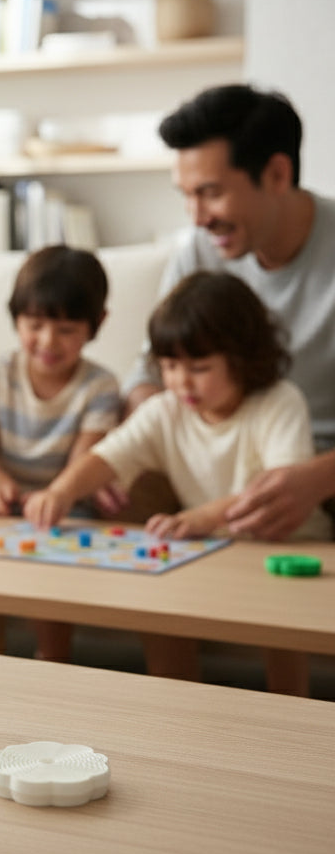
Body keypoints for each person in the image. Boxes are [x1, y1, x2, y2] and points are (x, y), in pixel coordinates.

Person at [26, 271, 330, 692]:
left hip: (287, 546)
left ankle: (294, 706)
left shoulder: (278, 401)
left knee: (277, 624)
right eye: (169, 367)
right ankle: (174, 698)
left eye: (199, 367)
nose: (181, 382)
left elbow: (278, 489)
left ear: (242, 357)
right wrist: (61, 490)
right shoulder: (167, 408)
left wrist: (204, 517)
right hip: (210, 547)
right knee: (160, 598)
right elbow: (109, 455)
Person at [124, 83, 335, 539]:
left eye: (211, 193)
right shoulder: (198, 251)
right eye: (186, 195)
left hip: (320, 470)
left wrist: (318, 478)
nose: (196, 217)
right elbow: (148, 372)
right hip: (216, 461)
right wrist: (161, 437)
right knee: (117, 485)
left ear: (277, 174)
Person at [0, 244, 120, 661]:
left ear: (96, 324)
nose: (48, 341)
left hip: (67, 507)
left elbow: (84, 464)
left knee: (55, 563)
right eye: (34, 325)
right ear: (16, 317)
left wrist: (51, 500)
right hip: (4, 498)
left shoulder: (100, 387)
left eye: (67, 330)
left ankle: (52, 655)